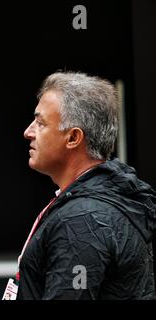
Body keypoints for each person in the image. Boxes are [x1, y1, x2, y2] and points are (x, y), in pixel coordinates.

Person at [17, 71, 155, 299]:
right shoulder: (96, 203)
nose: (28, 132)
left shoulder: (83, 220)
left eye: (40, 123)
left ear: (73, 138)